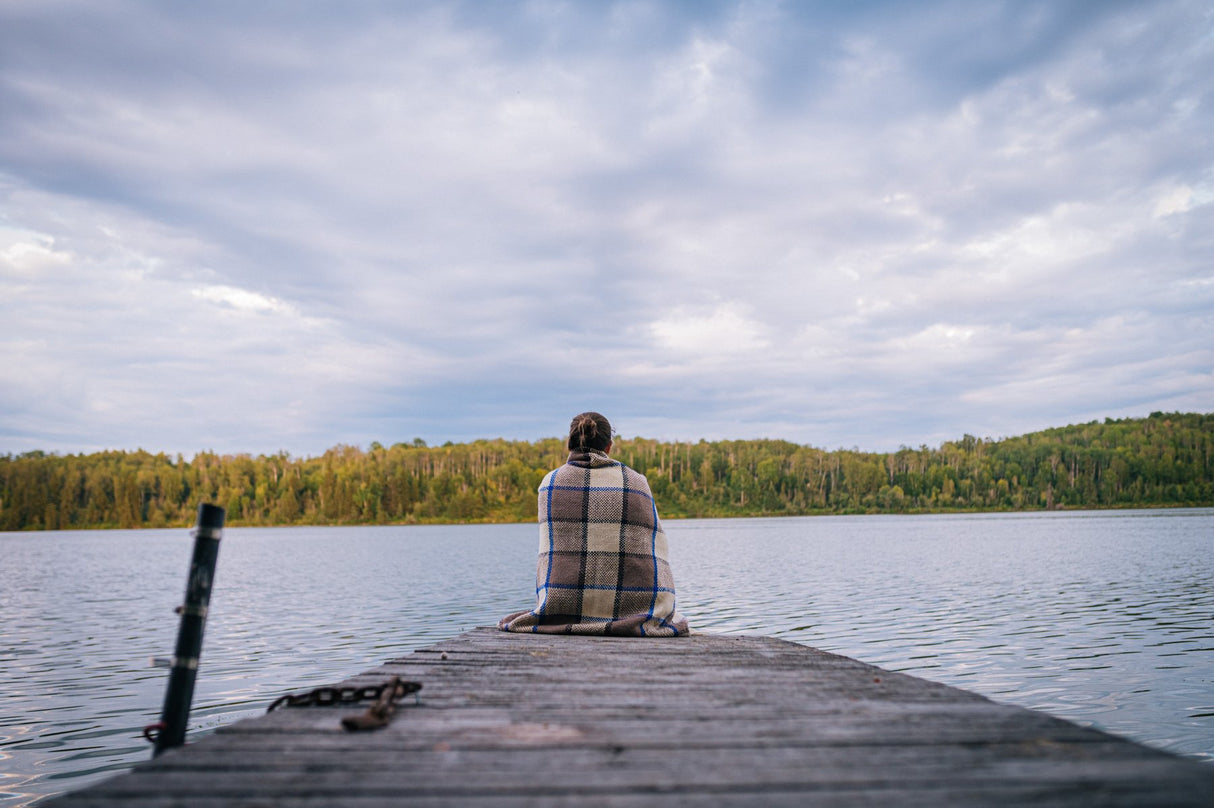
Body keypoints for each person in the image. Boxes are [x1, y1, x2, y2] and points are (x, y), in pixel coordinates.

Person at [499, 412, 689, 637]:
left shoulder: (550, 483)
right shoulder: (636, 482)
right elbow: (655, 552)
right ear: (609, 446)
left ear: (569, 445)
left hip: (562, 609)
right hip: (634, 610)